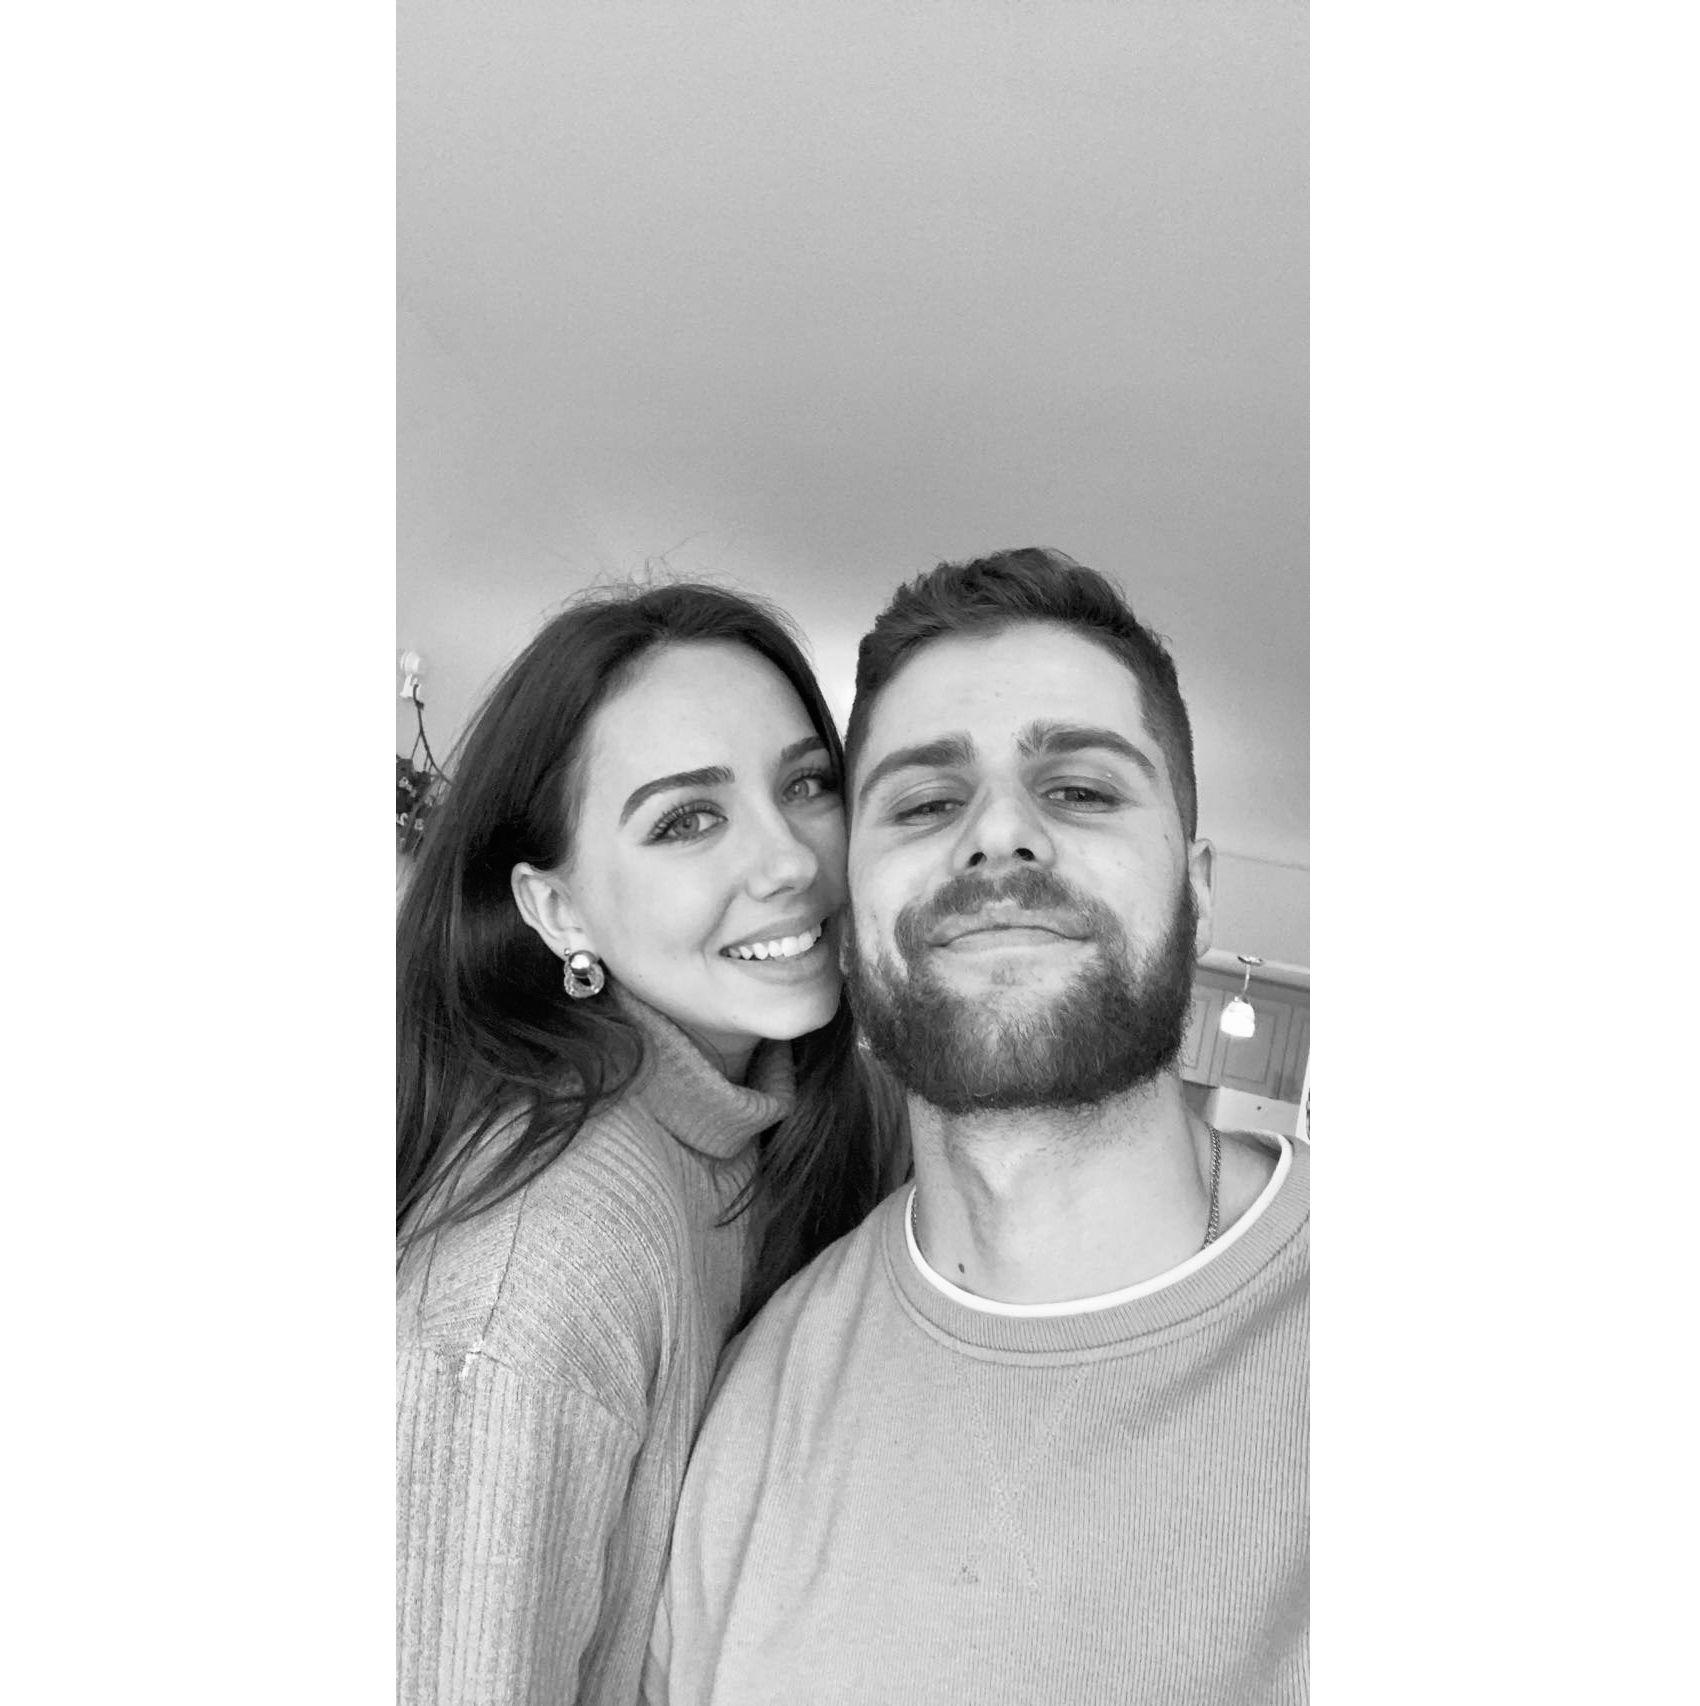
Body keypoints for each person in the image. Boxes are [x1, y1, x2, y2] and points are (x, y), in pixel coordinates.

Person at [648, 548, 1309, 1704]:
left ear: (1197, 888)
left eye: (1080, 789)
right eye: (923, 803)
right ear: (848, 915)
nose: (998, 834)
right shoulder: (754, 1401)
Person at [396, 581, 902, 1706]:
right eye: (686, 820)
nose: (790, 861)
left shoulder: (775, 1120)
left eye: (806, 784)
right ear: (556, 910)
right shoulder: (541, 1267)